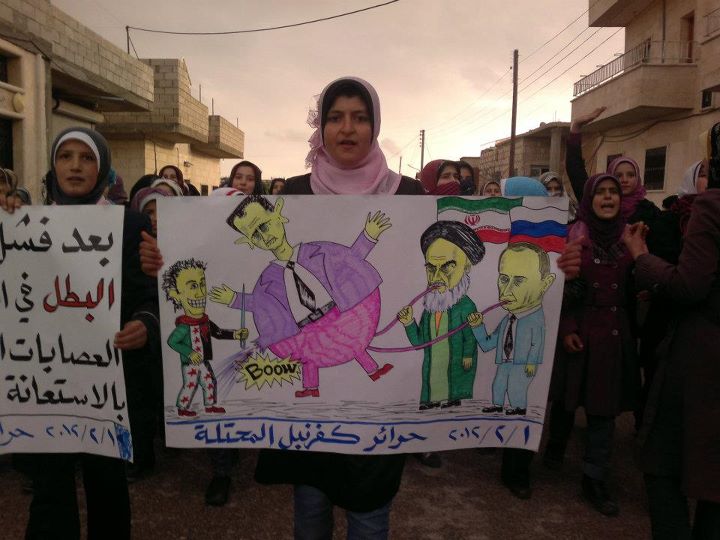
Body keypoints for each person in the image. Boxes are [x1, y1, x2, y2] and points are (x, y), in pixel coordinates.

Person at [140, 76, 423, 539]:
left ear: (376, 125)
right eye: (335, 118)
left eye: (359, 117)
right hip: (305, 418)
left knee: (369, 513)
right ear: (321, 129)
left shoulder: (409, 195)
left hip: (378, 417)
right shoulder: (292, 192)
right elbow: (229, 260)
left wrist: (559, 267)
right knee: (309, 507)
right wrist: (164, 257)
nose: (347, 129)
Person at [1, 127, 159, 539]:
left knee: (107, 487)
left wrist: (143, 324)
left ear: (102, 167)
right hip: (41, 378)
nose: (75, 166)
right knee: (50, 492)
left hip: (106, 381)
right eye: (65, 156)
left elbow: (149, 294)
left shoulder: (129, 223)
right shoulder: (20, 222)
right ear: (53, 166)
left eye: (86, 157)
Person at [624, 122, 720, 539]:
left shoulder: (712, 207)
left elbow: (688, 285)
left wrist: (641, 257)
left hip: (703, 357)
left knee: (663, 464)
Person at [546, 173, 638, 517]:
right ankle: (555, 448)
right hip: (581, 333)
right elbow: (564, 288)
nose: (608, 197)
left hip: (614, 337)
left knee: (603, 410)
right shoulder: (577, 238)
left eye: (613, 192)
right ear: (589, 199)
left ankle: (593, 477)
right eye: (600, 192)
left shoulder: (630, 239)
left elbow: (638, 282)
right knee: (567, 400)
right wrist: (567, 327)